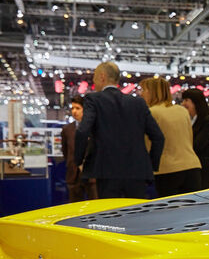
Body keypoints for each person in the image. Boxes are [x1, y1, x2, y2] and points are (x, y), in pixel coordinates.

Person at [74, 62, 164, 199]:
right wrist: (150, 165)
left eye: (94, 79)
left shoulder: (94, 100)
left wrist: (79, 161)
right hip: (137, 172)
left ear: (102, 77)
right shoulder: (138, 103)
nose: (94, 83)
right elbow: (158, 137)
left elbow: (82, 131)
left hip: (106, 171)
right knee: (136, 215)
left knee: (109, 216)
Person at [140, 77, 200, 197]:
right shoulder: (182, 111)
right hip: (193, 167)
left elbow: (146, 145)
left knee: (169, 213)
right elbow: (189, 139)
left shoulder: (151, 112)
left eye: (144, 90)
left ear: (152, 92)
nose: (141, 93)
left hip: (167, 170)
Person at [60, 96, 98, 201]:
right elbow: (65, 151)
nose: (74, 111)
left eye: (77, 108)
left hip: (92, 175)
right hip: (74, 174)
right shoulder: (67, 129)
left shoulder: (95, 128)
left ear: (84, 109)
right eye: (72, 108)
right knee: (74, 207)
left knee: (95, 206)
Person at [180, 88, 209, 190]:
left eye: (186, 100)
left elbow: (198, 145)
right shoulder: (189, 119)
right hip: (192, 169)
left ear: (196, 102)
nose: (183, 104)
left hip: (204, 170)